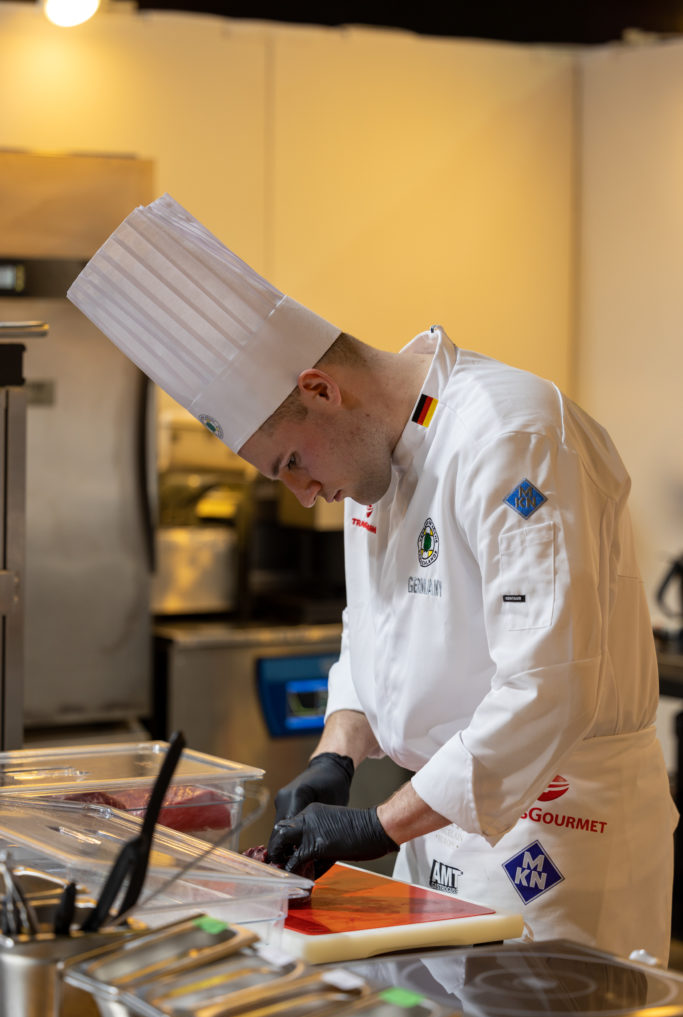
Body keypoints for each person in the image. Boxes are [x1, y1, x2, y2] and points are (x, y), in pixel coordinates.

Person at [68, 194, 677, 964]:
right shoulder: (371, 461)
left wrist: (377, 824)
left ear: (320, 389)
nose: (303, 494)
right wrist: (338, 752)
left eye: (293, 463)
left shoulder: (511, 435)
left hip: (554, 835)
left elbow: (547, 686)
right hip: (432, 822)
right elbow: (373, 629)